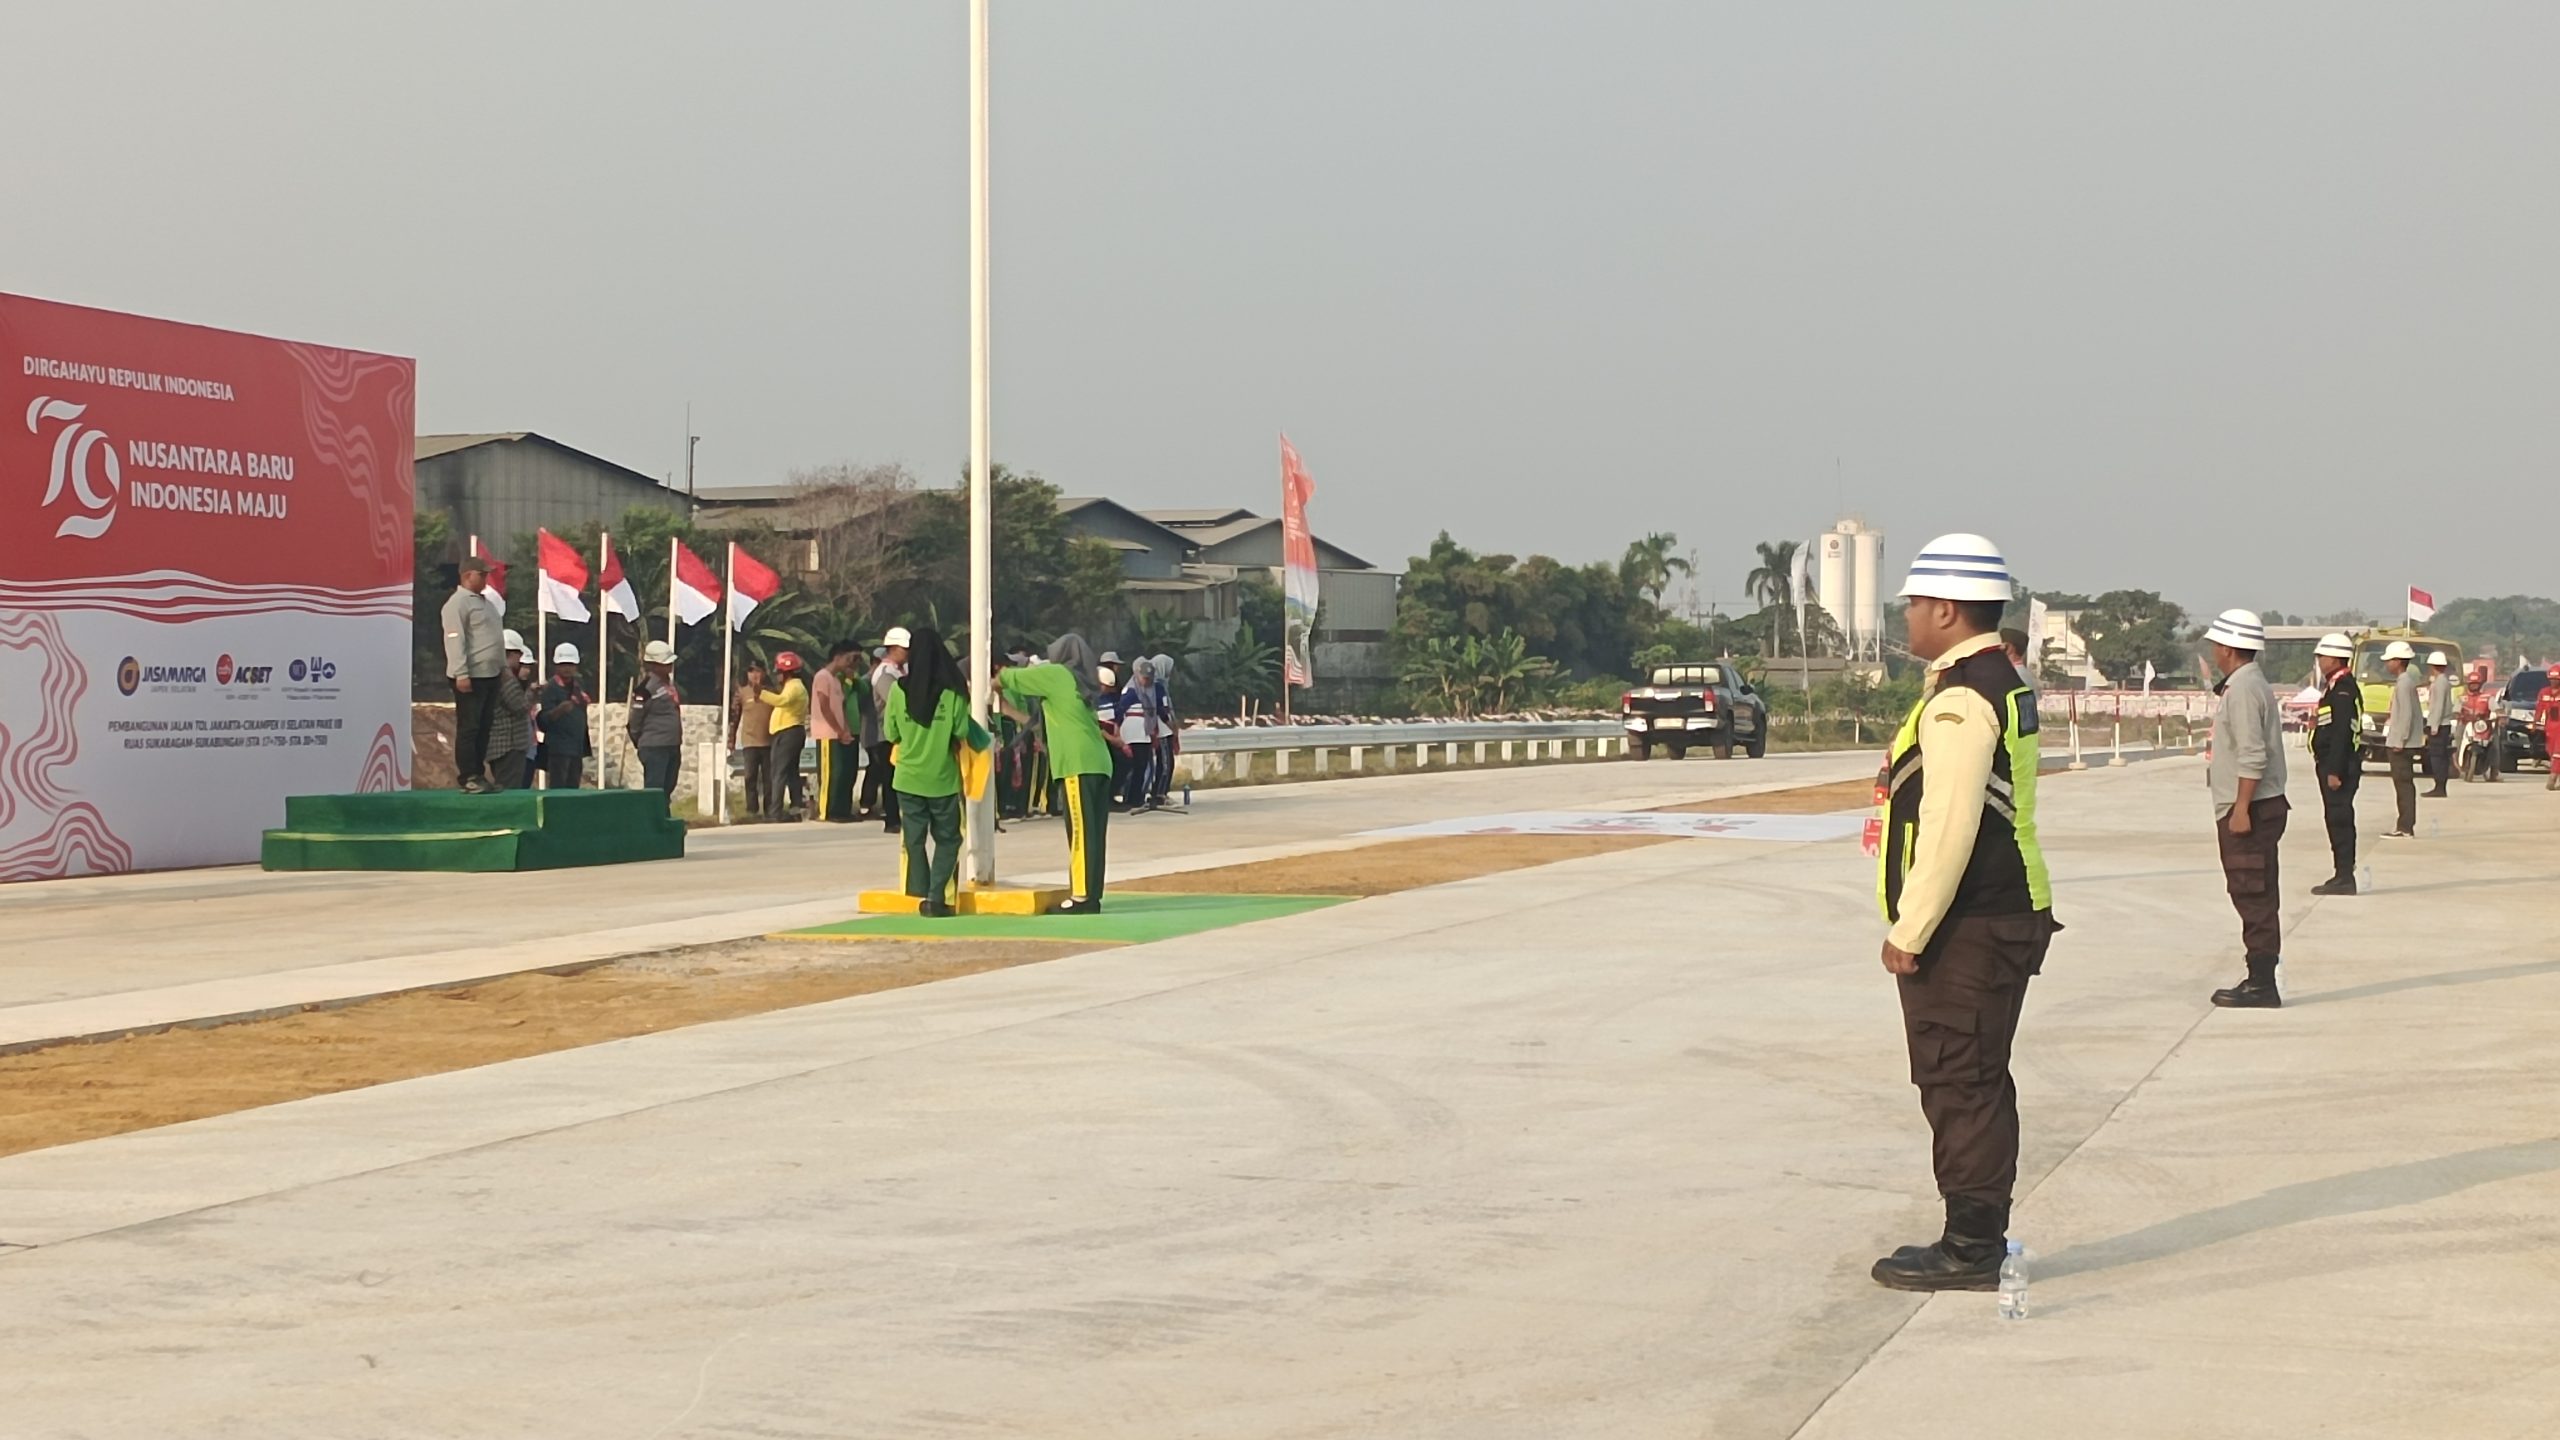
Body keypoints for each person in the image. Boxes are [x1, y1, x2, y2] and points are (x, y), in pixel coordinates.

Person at [1868, 534, 2056, 1292]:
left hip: (1971, 924)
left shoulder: (1962, 699)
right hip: (2005, 913)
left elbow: (1949, 826)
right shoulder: (1995, 679)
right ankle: (1977, 1230)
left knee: (1959, 1079)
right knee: (1977, 1076)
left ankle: (1971, 1245)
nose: (1908, 615)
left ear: (1945, 609)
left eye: (1914, 602)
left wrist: (1909, 930)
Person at [2201, 609, 2289, 1007]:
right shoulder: (2247, 684)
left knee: (2253, 893)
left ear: (2227, 648)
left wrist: (2241, 808)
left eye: (2216, 645)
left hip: (2251, 809)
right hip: (2255, 805)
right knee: (2255, 893)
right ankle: (2260, 977)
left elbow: (2252, 754)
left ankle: (2261, 983)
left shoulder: (2242, 689)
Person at [998, 633, 1118, 914]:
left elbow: (1010, 678)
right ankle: (1092, 893)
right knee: (1093, 834)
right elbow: (1041, 723)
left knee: (1079, 832)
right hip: (1098, 762)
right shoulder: (1080, 682)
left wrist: (989, 681)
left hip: (1078, 764)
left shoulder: (1057, 674)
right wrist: (1006, 709)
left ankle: (1081, 897)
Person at [884, 626, 983, 917]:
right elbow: (963, 729)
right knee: (949, 838)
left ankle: (919, 890)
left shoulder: (897, 691)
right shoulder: (952, 693)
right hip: (942, 780)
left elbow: (891, 733)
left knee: (913, 839)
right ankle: (936, 897)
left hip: (906, 779)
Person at [440, 552, 506, 793]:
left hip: (490, 673)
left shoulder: (485, 603)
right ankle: (468, 775)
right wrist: (460, 672)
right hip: (471, 674)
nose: (486, 578)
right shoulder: (458, 604)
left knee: (484, 726)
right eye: (482, 574)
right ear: (468, 575)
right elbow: (455, 639)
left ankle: (478, 773)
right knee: (469, 727)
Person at [2306, 632, 2362, 896]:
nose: (2319, 660)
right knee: (2334, 817)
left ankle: (2344, 876)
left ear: (2336, 658)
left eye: (2322, 656)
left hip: (2337, 766)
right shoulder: (2334, 686)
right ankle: (2340, 873)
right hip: (2330, 763)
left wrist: (2335, 770)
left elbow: (2341, 734)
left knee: (2339, 819)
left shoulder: (2342, 690)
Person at [861, 627, 912, 833]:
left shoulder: (901, 669)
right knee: (890, 779)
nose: (907, 652)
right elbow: (894, 701)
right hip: (886, 733)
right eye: (904, 648)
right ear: (893, 648)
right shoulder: (884, 673)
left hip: (901, 732)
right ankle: (892, 820)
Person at [809, 641, 863, 822]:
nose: (851, 663)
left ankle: (842, 810)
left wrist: (846, 730)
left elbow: (842, 706)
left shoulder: (836, 680)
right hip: (827, 733)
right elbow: (824, 706)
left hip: (839, 733)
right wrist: (838, 730)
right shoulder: (822, 677)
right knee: (830, 773)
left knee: (844, 773)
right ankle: (826, 811)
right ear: (837, 657)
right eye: (849, 658)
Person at [629, 640, 684, 800]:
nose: (670, 666)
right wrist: (639, 740)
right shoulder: (645, 688)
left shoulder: (668, 684)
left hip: (672, 744)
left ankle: (663, 820)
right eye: (665, 663)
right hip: (654, 746)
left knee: (668, 788)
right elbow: (635, 720)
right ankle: (652, 822)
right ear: (652, 664)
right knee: (655, 790)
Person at [761, 652, 812, 822]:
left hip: (788, 733)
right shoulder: (794, 686)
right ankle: (795, 808)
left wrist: (761, 694)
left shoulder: (794, 687)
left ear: (787, 673)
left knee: (779, 773)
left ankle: (775, 812)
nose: (777, 676)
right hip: (790, 733)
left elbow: (782, 701)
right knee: (791, 773)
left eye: (779, 673)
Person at [2381, 640, 2423, 837]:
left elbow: (2405, 714)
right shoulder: (2405, 682)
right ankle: (2405, 824)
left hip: (2402, 744)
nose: (2387, 664)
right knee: (2403, 784)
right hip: (2403, 741)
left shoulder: (2404, 683)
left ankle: (2405, 826)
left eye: (2389, 661)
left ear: (2398, 661)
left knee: (2403, 785)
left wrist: (2400, 741)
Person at [486, 631, 536, 790]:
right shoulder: (506, 677)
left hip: (499, 744)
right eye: (518, 654)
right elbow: (519, 707)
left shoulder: (492, 673)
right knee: (510, 789)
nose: (519, 658)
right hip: (510, 744)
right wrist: (532, 693)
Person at [538, 643, 592, 791]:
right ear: (556, 666)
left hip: (576, 745)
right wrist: (558, 711)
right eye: (563, 664)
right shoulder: (551, 688)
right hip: (558, 747)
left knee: (573, 786)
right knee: (558, 787)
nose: (567, 668)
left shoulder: (578, 686)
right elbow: (543, 721)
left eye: (571, 664)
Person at [1115, 659, 1161, 811]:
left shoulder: (1151, 692)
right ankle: (1129, 798)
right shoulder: (1131, 691)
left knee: (1141, 767)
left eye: (1149, 678)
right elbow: (1119, 712)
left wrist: (1153, 733)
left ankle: (1136, 798)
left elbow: (1152, 715)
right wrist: (1118, 734)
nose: (1146, 681)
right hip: (1131, 734)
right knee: (1133, 767)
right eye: (1144, 677)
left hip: (1144, 734)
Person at [732, 662, 774, 820]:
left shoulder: (771, 692)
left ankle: (770, 809)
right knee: (750, 777)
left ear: (764, 673)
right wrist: (731, 739)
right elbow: (734, 717)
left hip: (769, 742)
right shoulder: (742, 692)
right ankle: (752, 810)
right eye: (751, 672)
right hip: (750, 742)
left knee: (769, 778)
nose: (754, 675)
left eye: (757, 671)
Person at [2422, 650, 2456, 799]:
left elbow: (2438, 706)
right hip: (2441, 723)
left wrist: (2434, 726)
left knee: (2437, 757)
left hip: (2440, 724)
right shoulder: (2441, 681)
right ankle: (2439, 786)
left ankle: (2439, 786)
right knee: (2438, 756)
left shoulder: (2440, 683)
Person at [2540, 663, 2560, 793]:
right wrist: (2535, 723)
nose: (2554, 682)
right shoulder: (2543, 692)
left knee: (2558, 753)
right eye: (2552, 679)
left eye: (2556, 680)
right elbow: (2539, 709)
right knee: (2551, 752)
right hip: (2549, 727)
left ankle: (2552, 778)